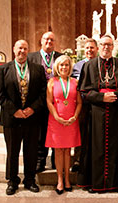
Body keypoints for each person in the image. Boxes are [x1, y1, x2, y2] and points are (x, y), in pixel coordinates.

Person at [77, 35, 118, 193]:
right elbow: (84, 92)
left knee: (115, 147)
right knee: (96, 147)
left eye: (109, 44)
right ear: (99, 47)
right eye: (103, 44)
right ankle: (97, 183)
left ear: (113, 47)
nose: (106, 47)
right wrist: (102, 97)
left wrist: (114, 97)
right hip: (96, 113)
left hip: (115, 112)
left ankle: (116, 183)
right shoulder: (89, 66)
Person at [0, 40, 47, 195]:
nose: (22, 51)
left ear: (28, 50)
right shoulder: (3, 69)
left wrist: (32, 109)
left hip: (32, 118)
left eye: (25, 48)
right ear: (14, 50)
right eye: (19, 48)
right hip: (12, 119)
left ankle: (30, 180)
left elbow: (43, 92)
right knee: (12, 151)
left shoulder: (38, 69)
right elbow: (0, 94)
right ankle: (12, 180)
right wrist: (15, 111)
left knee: (31, 151)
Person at [45, 55, 82, 195]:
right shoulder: (52, 82)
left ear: (70, 67)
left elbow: (79, 102)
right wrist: (56, 116)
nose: (64, 67)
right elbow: (49, 101)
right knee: (58, 151)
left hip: (71, 120)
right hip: (56, 120)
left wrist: (75, 116)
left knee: (68, 151)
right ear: (57, 67)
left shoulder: (75, 82)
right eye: (61, 65)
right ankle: (59, 180)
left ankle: (67, 179)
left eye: (66, 65)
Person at [28, 31, 63, 173]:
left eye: (52, 40)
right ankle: (40, 161)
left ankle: (56, 161)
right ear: (41, 41)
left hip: (58, 101)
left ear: (55, 42)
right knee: (41, 132)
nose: (49, 42)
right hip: (39, 101)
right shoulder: (31, 58)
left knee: (57, 131)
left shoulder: (61, 57)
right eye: (46, 39)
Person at [70, 38, 99, 172]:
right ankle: (78, 159)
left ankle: (95, 161)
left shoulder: (101, 64)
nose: (89, 50)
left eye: (92, 48)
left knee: (96, 134)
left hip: (98, 105)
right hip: (82, 105)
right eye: (87, 48)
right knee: (81, 133)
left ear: (97, 49)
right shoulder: (77, 66)